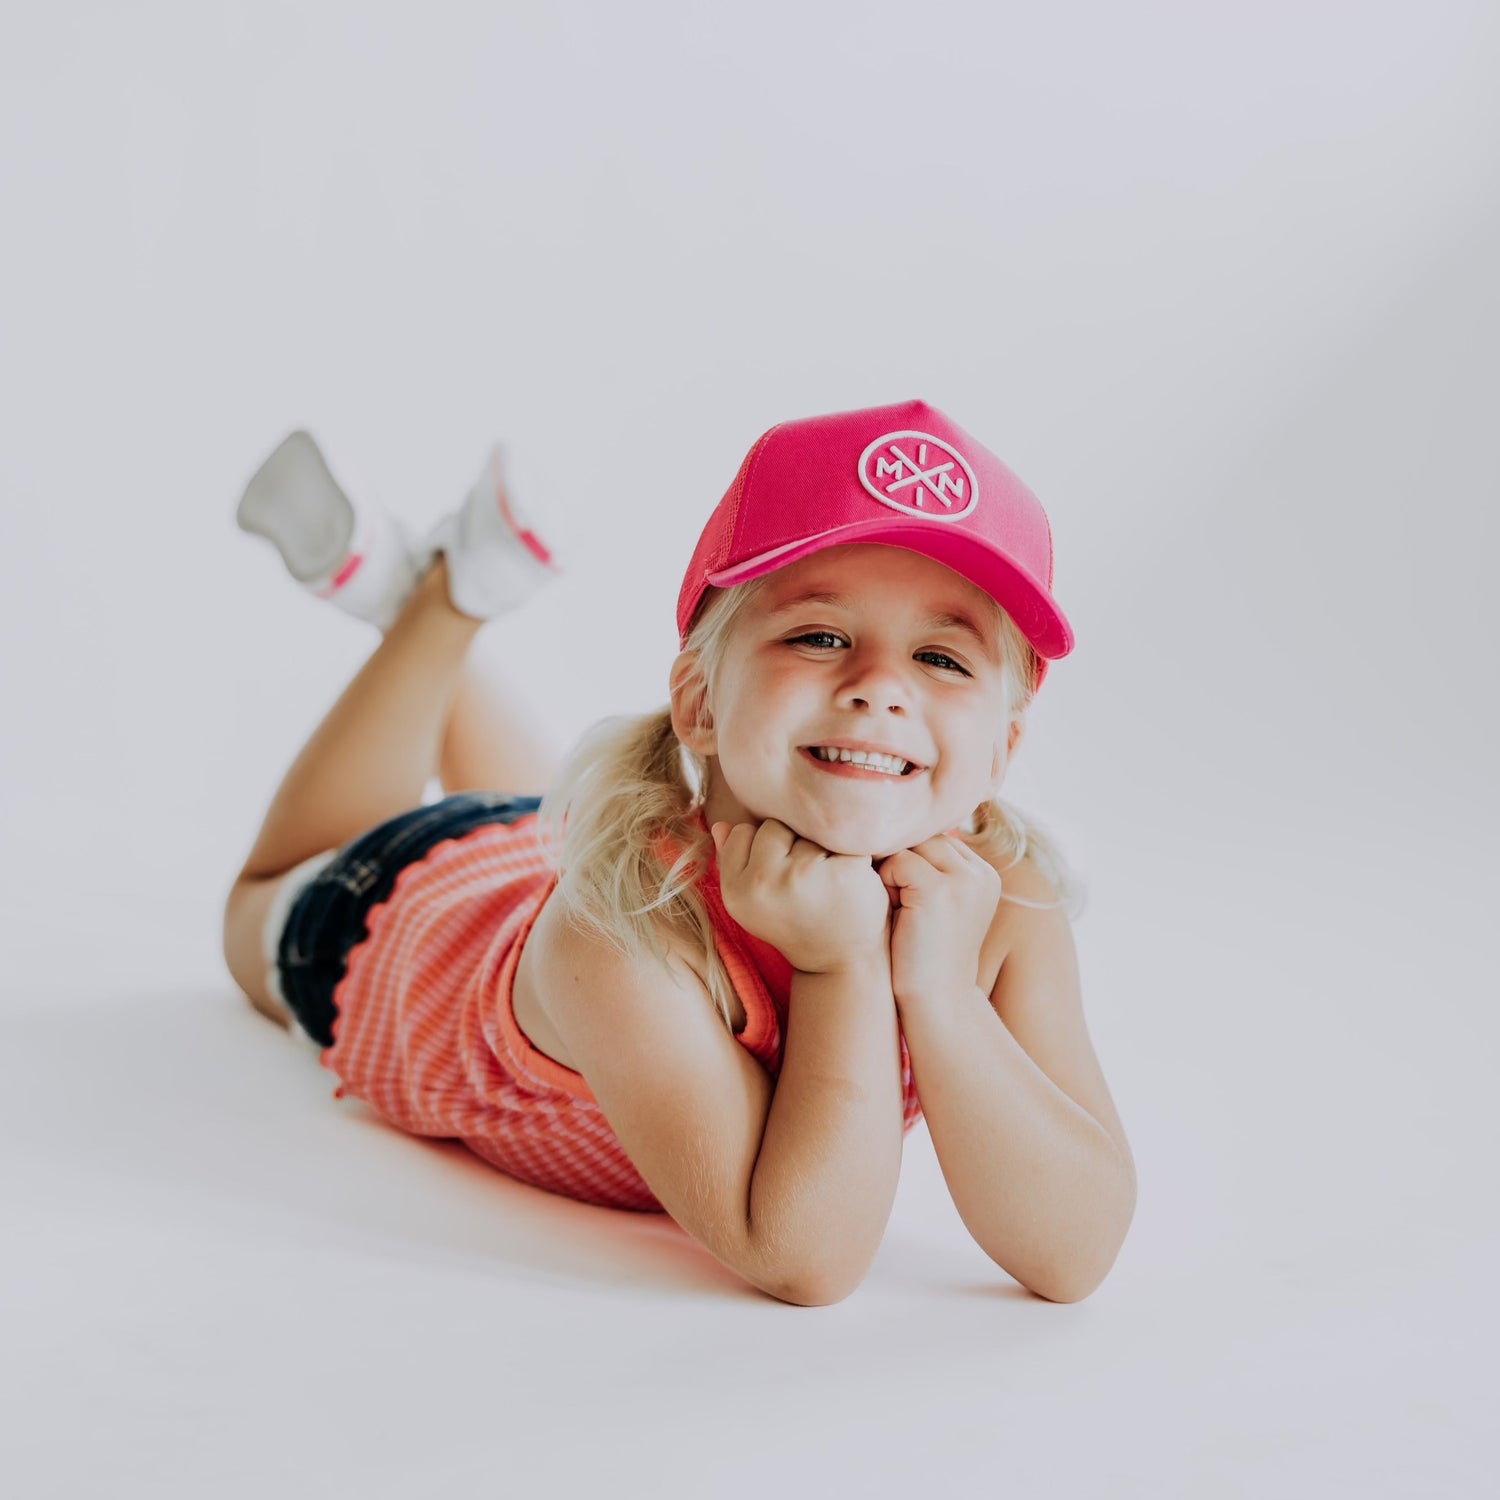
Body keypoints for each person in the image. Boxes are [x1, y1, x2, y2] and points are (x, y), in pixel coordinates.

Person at [221, 399, 1137, 1307]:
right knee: (255, 909)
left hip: (560, 839)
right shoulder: (616, 937)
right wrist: (841, 965)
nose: (878, 689)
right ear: (700, 702)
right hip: (390, 917)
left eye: (944, 659)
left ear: (1002, 750)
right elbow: (803, 1255)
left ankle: (427, 593)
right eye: (820, 636)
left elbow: (1075, 1253)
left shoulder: (1003, 900)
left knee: (549, 814)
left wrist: (941, 995)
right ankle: (444, 607)